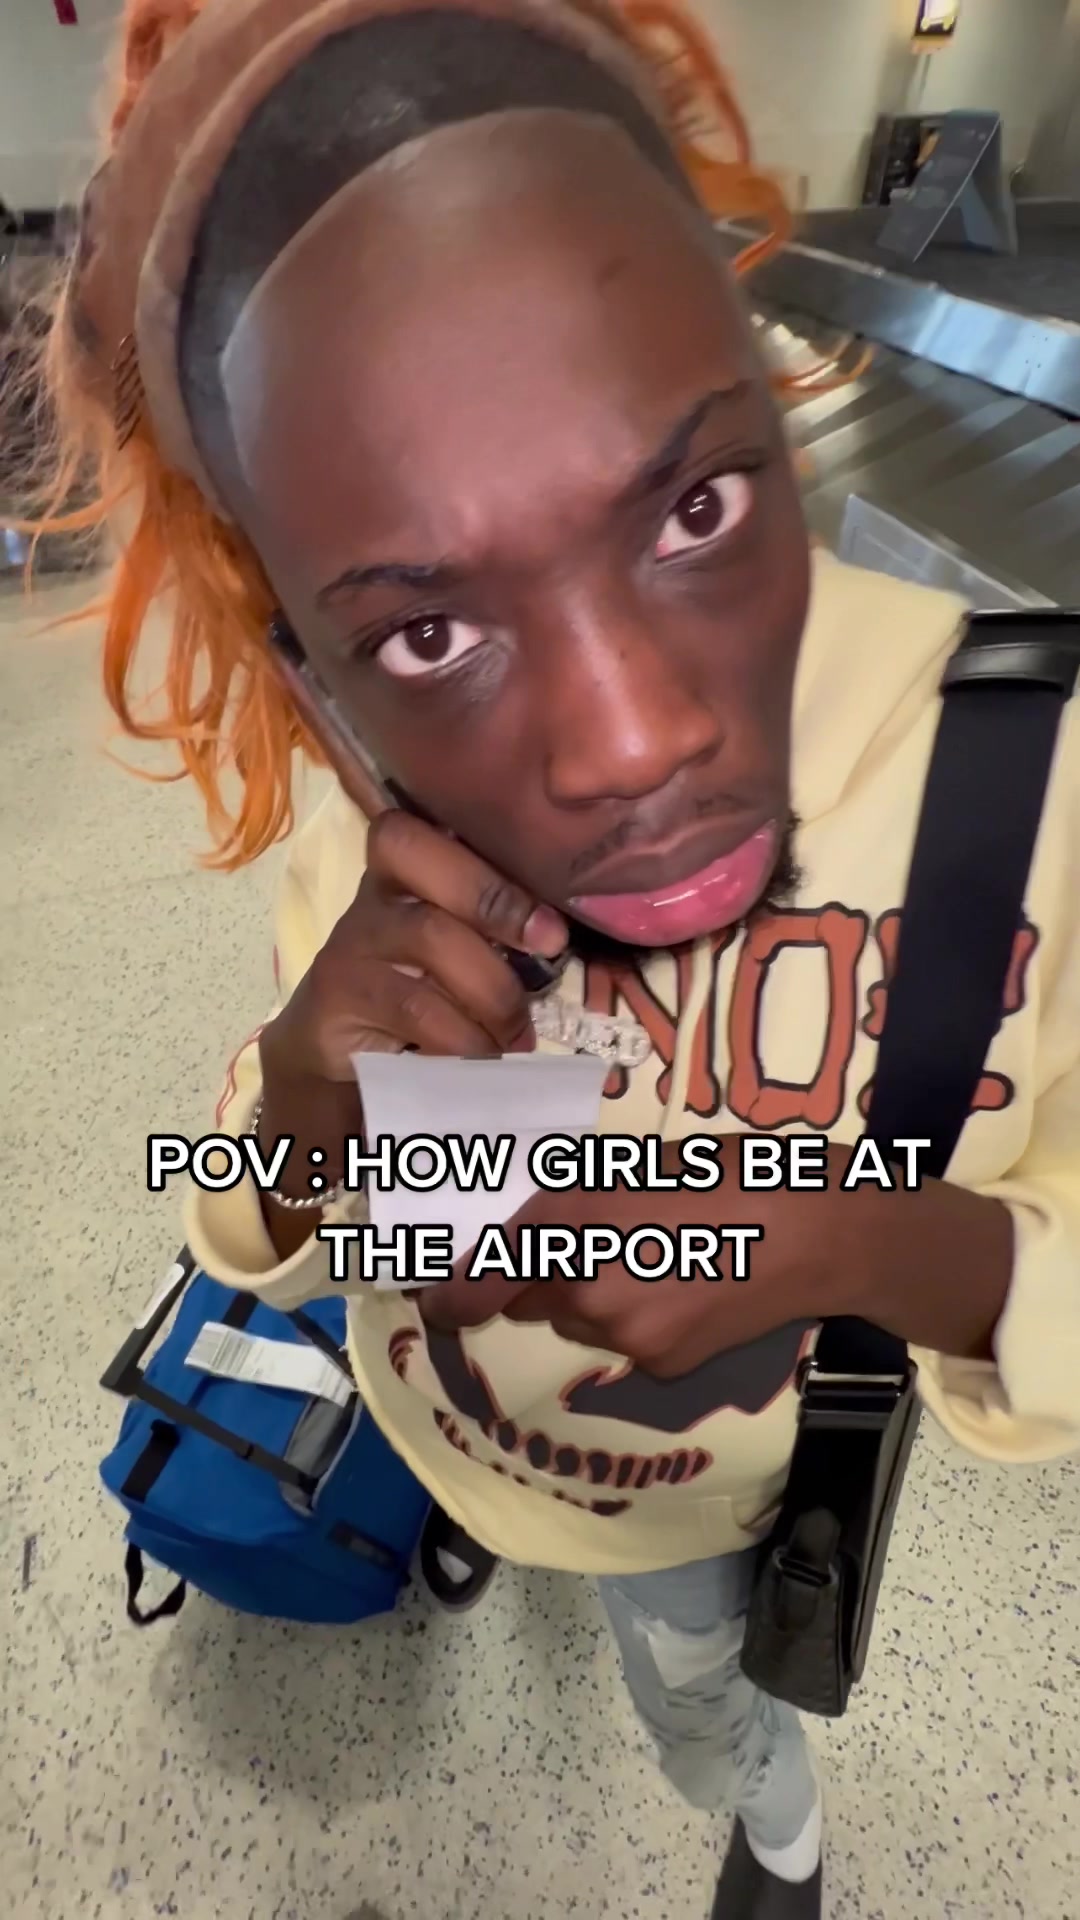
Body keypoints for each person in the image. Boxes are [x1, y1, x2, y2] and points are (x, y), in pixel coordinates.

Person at [29, 0, 1080, 1913]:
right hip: (447, 1426)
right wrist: (296, 1101)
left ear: (769, 378)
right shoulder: (373, 813)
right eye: (428, 631)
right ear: (309, 673)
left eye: (692, 507)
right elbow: (274, 1229)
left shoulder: (1023, 782)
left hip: (709, 1510)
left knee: (704, 1700)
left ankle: (775, 1831)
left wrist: (849, 1246)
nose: (626, 744)